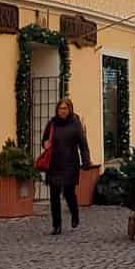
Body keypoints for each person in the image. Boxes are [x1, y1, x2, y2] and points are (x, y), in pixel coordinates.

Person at [39, 96, 91, 236]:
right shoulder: (52, 123)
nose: (62, 111)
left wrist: (86, 161)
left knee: (69, 193)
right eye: (60, 108)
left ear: (70, 109)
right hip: (54, 164)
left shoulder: (75, 123)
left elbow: (83, 144)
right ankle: (57, 226)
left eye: (65, 108)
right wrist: (45, 144)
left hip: (70, 163)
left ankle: (74, 214)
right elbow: (44, 139)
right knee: (54, 196)